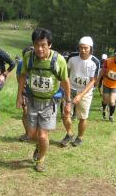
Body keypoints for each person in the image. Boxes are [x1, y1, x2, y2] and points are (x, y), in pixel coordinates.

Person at [16, 28, 71, 172]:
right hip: (32, 101)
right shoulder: (28, 57)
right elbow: (22, 77)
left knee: (42, 134)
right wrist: (19, 96)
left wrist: (68, 101)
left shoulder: (58, 60)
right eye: (36, 45)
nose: (39, 49)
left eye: (43, 45)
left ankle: (41, 159)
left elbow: (65, 81)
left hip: (49, 103)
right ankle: (39, 146)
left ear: (50, 45)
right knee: (32, 134)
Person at [60, 37, 100, 147]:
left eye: (85, 48)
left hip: (85, 92)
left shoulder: (95, 62)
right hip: (71, 88)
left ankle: (80, 137)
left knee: (82, 117)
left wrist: (81, 95)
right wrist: (64, 86)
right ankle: (69, 133)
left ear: (90, 48)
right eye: (81, 48)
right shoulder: (72, 57)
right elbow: (66, 73)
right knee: (66, 113)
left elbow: (93, 81)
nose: (83, 50)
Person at [16, 45, 34, 141]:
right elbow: (19, 78)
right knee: (26, 112)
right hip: (25, 91)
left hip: (37, 92)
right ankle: (27, 133)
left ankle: (36, 133)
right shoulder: (20, 64)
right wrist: (21, 92)